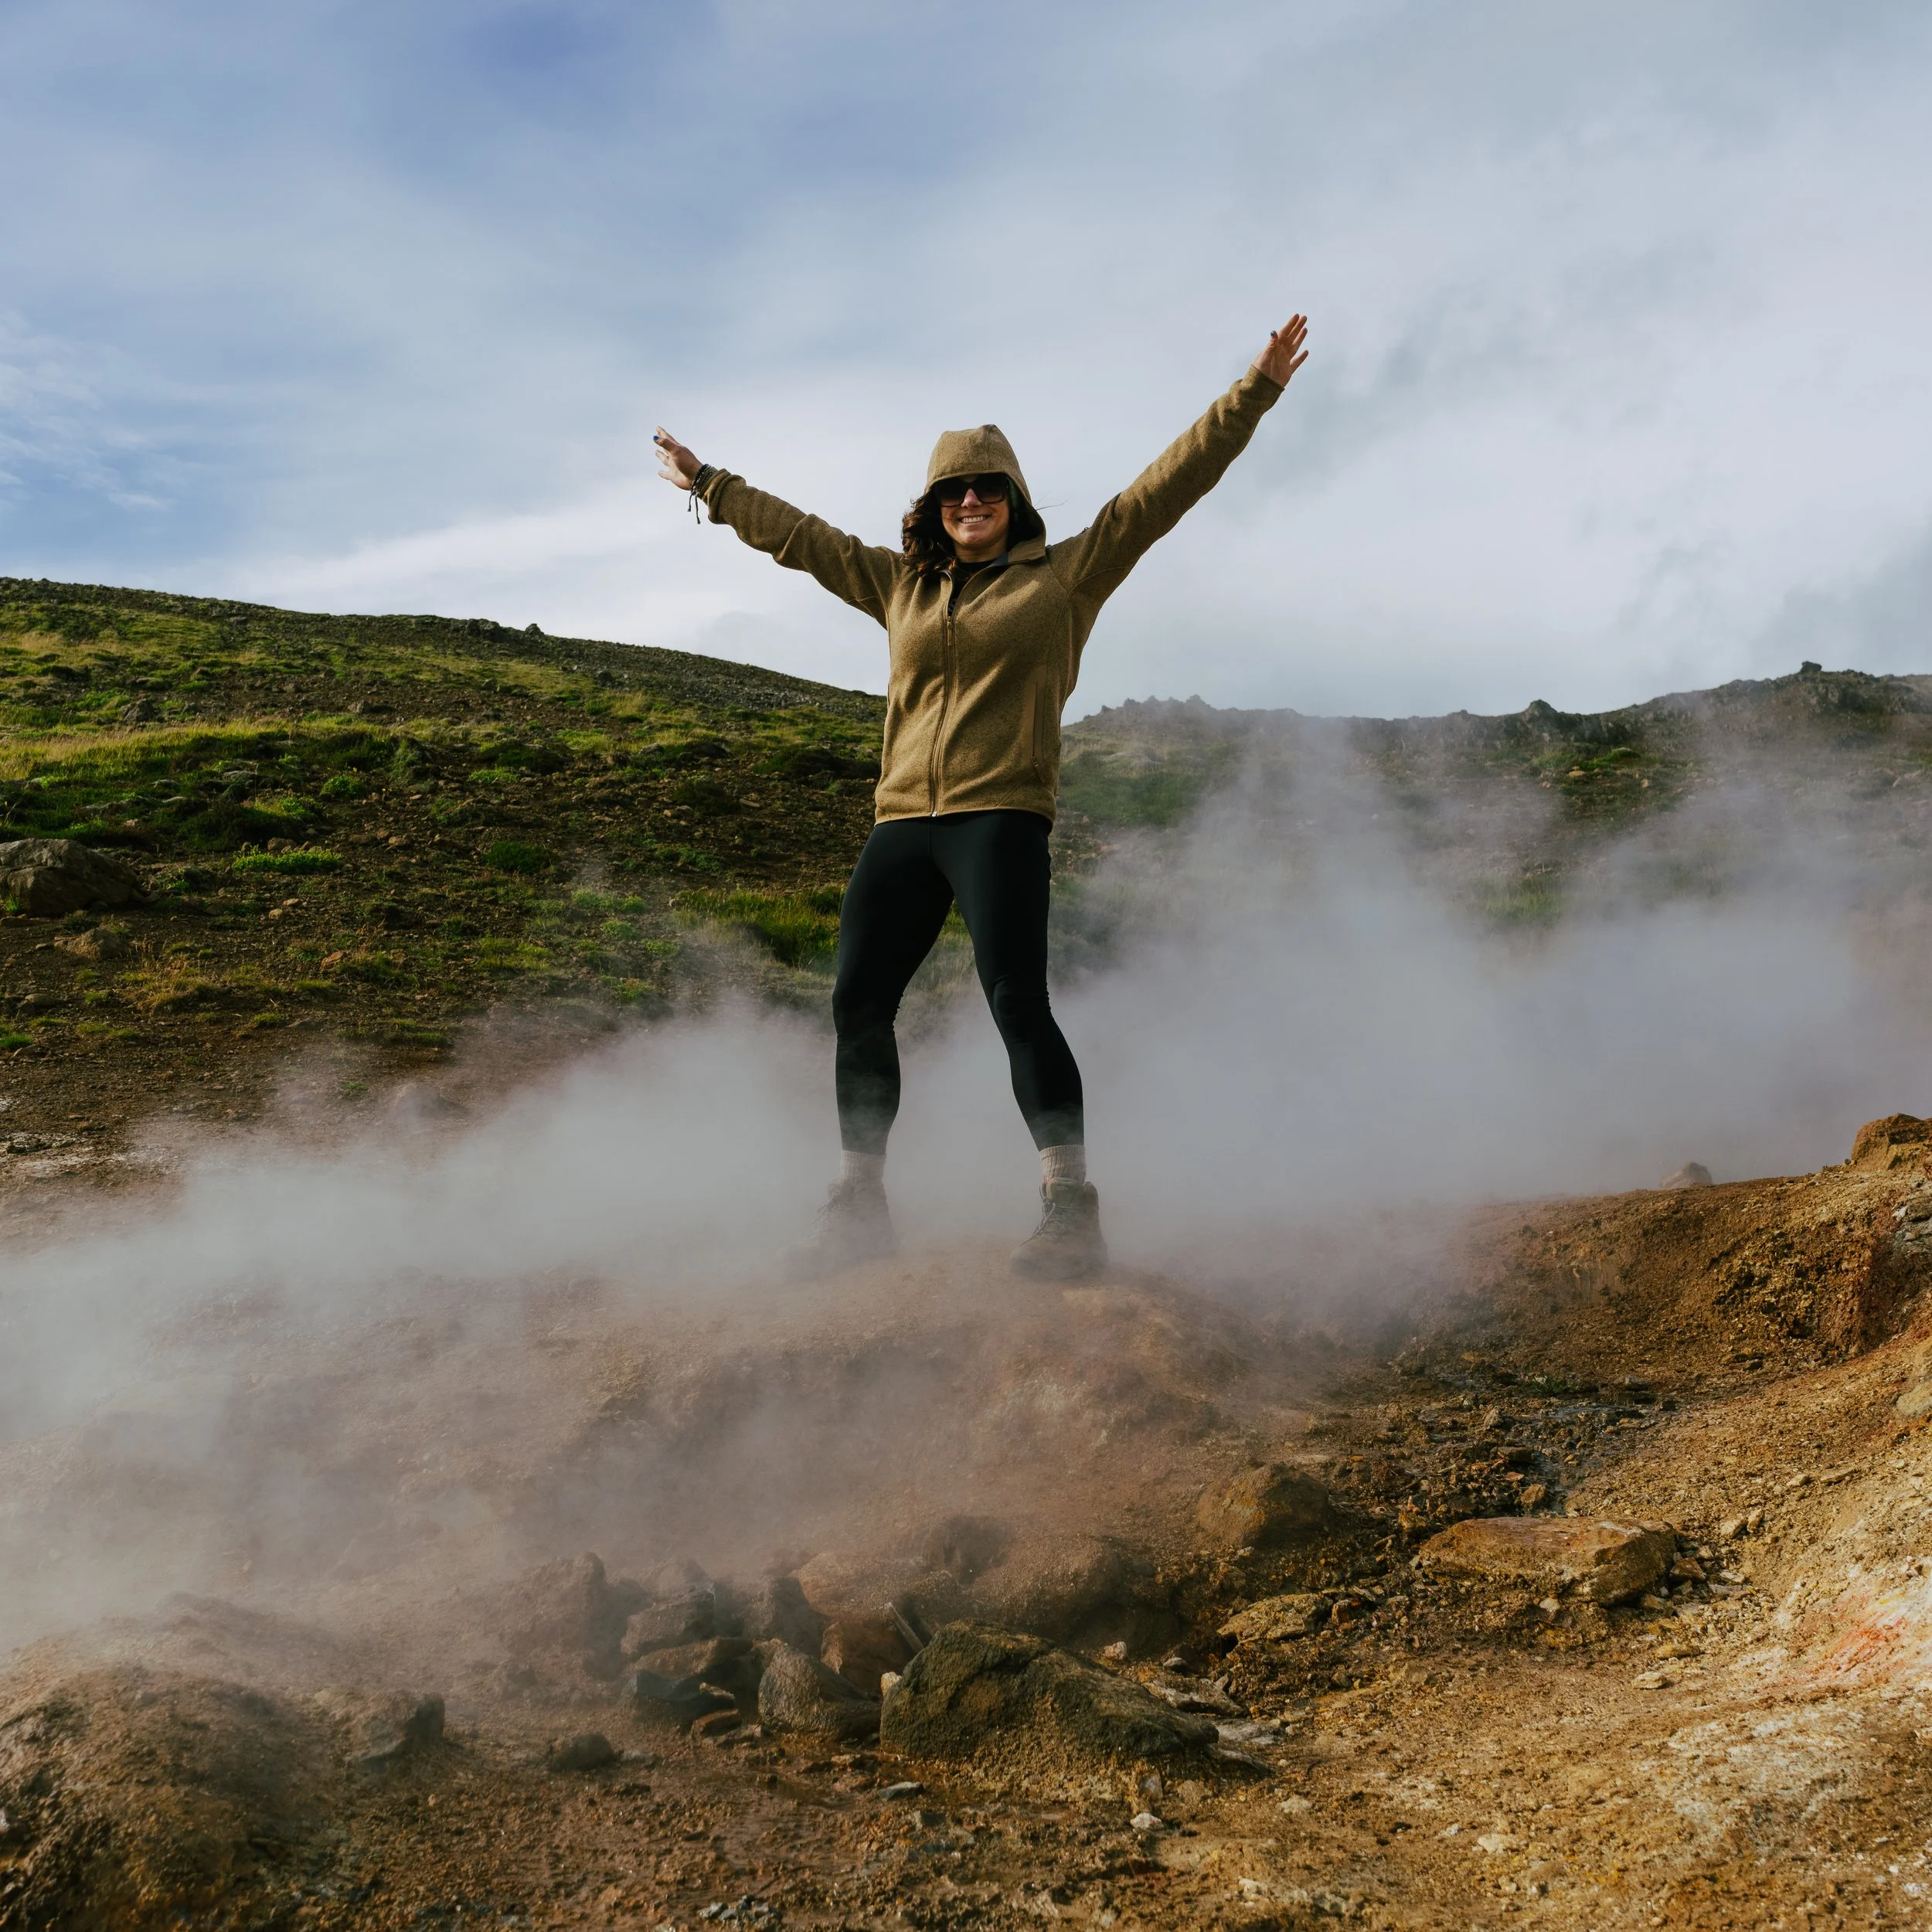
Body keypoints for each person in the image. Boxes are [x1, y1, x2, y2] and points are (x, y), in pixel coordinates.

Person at [653, 317, 1309, 1280]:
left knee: (1015, 1000)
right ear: (932, 507)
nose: (971, 500)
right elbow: (801, 539)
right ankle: (859, 1207)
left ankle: (1069, 1207)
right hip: (902, 823)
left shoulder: (1067, 575)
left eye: (988, 487)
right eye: (954, 490)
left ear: (1014, 500)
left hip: (999, 815)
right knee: (857, 1001)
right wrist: (711, 485)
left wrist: (1253, 391)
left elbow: (1167, 486)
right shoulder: (900, 586)